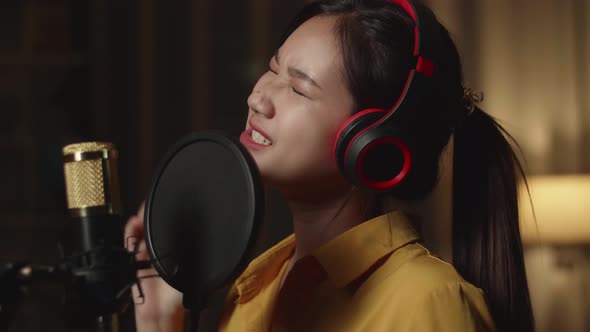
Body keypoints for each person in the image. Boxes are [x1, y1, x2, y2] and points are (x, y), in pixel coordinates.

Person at [125, 0, 535, 331]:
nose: (258, 98)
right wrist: (160, 321)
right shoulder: (255, 291)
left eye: (299, 88)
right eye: (272, 69)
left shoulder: (427, 303)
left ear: (371, 142)